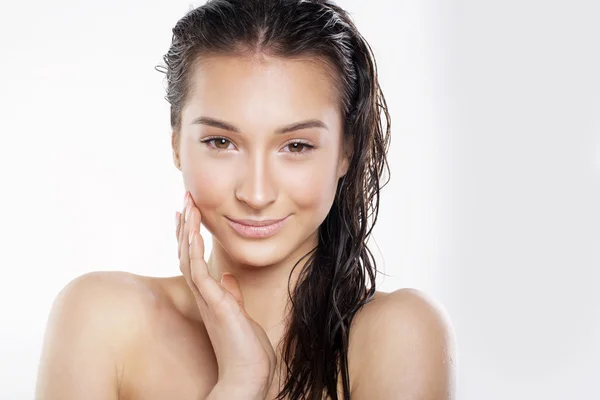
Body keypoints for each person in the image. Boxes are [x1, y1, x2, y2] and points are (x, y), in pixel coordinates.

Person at [35, 0, 456, 399]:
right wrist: (240, 382)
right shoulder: (101, 321)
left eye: (296, 146)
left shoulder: (400, 335)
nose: (256, 194)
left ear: (345, 151)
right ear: (176, 143)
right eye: (221, 141)